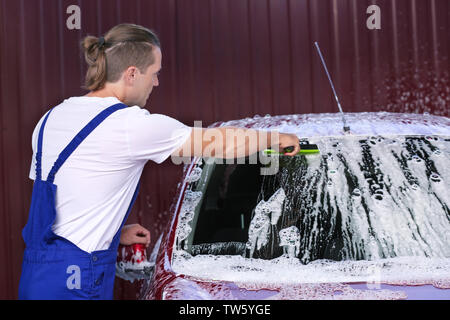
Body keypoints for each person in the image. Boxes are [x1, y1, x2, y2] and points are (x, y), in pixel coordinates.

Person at [18, 23, 300, 300]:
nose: (156, 82)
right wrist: (274, 139)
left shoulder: (51, 118)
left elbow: (69, 193)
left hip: (38, 277)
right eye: (154, 73)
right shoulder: (129, 125)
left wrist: (113, 232)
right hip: (76, 284)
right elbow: (217, 142)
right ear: (131, 74)